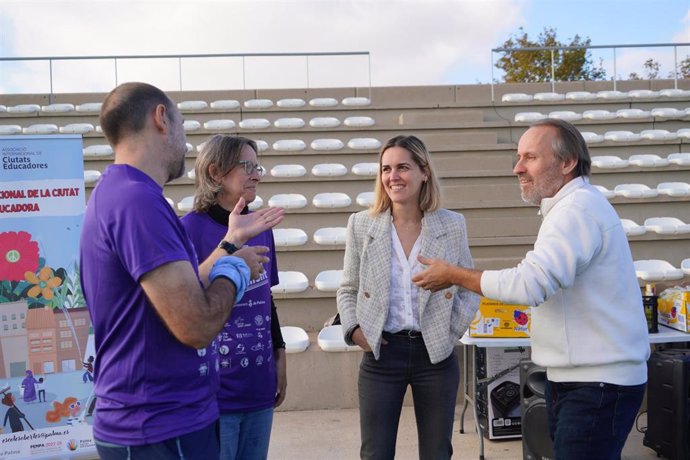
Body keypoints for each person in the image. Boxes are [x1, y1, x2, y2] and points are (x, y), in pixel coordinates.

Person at [413, 118, 650, 459]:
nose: (517, 168)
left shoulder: (576, 209)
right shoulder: (571, 207)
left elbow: (531, 283)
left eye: (530, 157)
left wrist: (453, 274)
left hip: (597, 385)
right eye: (518, 157)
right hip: (581, 380)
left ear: (567, 163)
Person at [79, 82, 284, 460]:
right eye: (183, 126)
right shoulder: (137, 201)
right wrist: (235, 268)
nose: (187, 143)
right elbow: (196, 326)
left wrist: (228, 245)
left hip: (160, 421)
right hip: (158, 425)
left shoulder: (124, 193)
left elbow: (172, 295)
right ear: (161, 119)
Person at [337, 135, 479, 460]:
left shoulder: (452, 225)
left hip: (436, 357)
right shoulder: (361, 225)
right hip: (381, 354)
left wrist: (450, 331)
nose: (393, 176)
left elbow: (468, 286)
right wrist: (356, 331)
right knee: (375, 453)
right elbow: (348, 288)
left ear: (424, 172)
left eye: (403, 167)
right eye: (386, 169)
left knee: (437, 453)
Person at [181, 134, 287, 460]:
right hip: (213, 393)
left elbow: (265, 299)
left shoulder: (262, 225)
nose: (256, 174)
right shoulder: (187, 229)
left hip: (257, 385)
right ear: (215, 173)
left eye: (258, 167)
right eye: (246, 166)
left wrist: (279, 354)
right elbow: (183, 300)